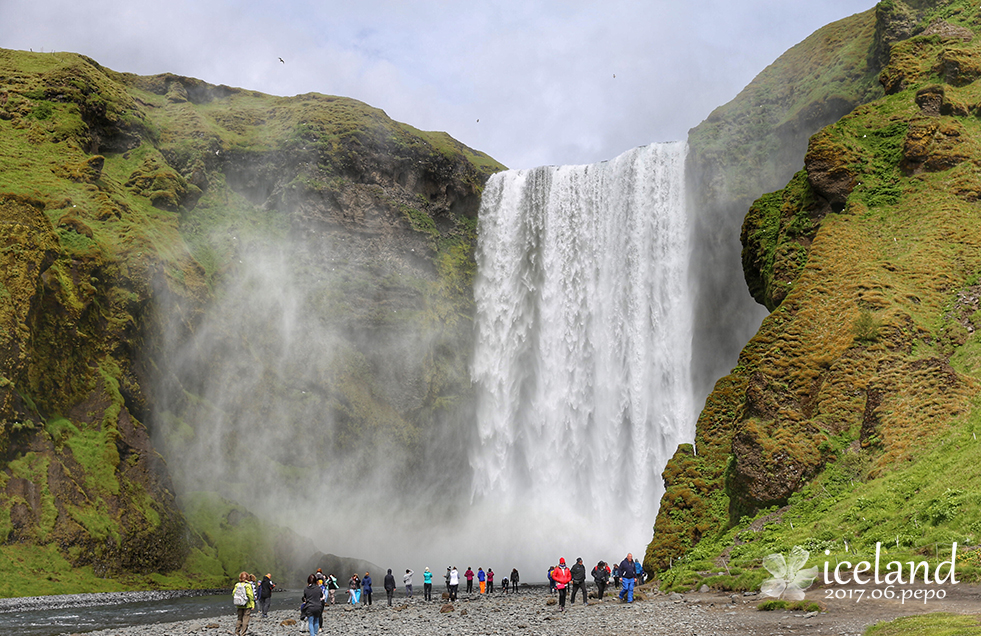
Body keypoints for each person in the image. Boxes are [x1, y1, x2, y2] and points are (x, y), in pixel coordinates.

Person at [233, 571, 255, 636]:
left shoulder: (237, 585)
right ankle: (243, 633)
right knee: (246, 618)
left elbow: (233, 593)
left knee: (239, 618)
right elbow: (250, 596)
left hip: (239, 604)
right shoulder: (248, 585)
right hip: (246, 605)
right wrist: (252, 604)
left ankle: (237, 632)